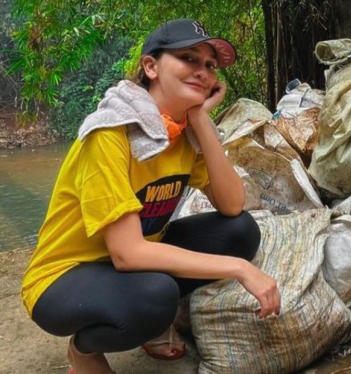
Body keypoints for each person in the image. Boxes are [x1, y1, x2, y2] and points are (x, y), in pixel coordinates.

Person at [21, 19, 281, 374]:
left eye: (209, 65)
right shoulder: (110, 133)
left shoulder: (181, 133)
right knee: (155, 297)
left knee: (240, 231)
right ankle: (83, 351)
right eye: (188, 58)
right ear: (150, 66)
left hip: (129, 259)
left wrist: (201, 120)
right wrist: (240, 269)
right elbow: (127, 254)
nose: (202, 71)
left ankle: (141, 313)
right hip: (64, 277)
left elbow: (232, 204)